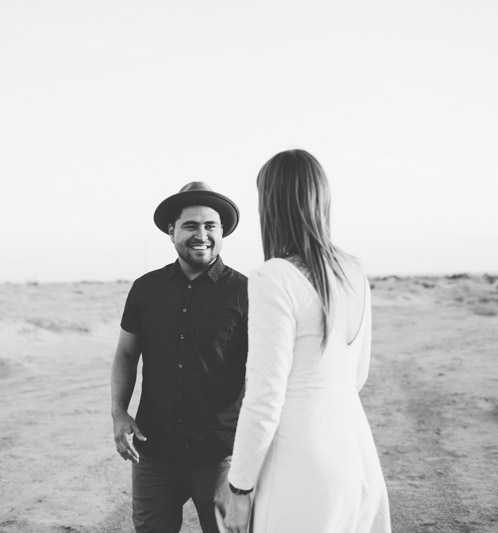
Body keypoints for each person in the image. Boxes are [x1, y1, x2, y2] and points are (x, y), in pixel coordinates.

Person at [216, 150, 391, 532]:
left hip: (301, 464)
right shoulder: (353, 271)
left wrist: (239, 489)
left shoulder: (273, 277)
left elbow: (264, 398)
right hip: (353, 450)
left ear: (271, 203)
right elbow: (356, 376)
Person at [111, 181, 249, 533]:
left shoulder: (246, 292)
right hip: (152, 451)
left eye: (210, 226)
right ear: (171, 231)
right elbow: (127, 355)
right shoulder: (146, 288)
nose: (200, 234)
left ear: (222, 233)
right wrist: (118, 413)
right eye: (190, 225)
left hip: (220, 454)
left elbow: (263, 373)